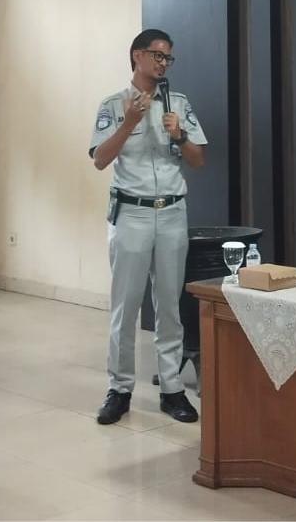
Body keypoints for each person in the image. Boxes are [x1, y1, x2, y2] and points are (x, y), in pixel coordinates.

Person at [89, 29, 207, 425]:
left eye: (168, 58)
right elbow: (100, 160)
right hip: (132, 214)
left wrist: (180, 134)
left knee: (169, 305)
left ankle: (171, 389)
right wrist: (128, 123)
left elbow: (197, 161)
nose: (163, 63)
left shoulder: (179, 104)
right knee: (125, 306)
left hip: (172, 213)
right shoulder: (113, 105)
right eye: (157, 55)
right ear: (136, 56)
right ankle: (119, 388)